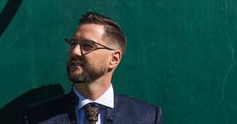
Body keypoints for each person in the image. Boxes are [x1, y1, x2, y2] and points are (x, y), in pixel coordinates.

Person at [22, 12, 163, 123]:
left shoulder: (147, 117)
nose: (75, 51)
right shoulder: (36, 117)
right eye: (73, 44)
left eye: (87, 46)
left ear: (114, 59)